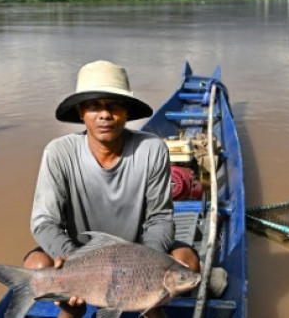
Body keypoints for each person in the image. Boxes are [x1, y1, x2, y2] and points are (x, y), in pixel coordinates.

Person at [23, 60, 200, 318]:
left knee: (188, 262)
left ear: (126, 112)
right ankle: (73, 308)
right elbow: (44, 222)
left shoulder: (151, 149)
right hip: (79, 251)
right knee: (35, 265)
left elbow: (160, 219)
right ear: (81, 112)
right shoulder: (59, 152)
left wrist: (147, 266)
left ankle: (148, 306)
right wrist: (72, 259)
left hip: (139, 252)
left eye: (114, 105)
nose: (105, 114)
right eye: (95, 106)